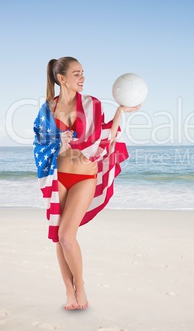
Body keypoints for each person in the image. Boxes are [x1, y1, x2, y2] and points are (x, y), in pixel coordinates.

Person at [33, 56, 139, 311]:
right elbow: (40, 143)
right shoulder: (48, 108)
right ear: (62, 79)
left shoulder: (93, 104)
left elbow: (105, 135)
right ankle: (69, 292)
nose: (82, 79)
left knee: (68, 237)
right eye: (77, 74)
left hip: (84, 176)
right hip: (59, 175)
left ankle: (80, 286)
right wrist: (60, 141)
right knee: (59, 238)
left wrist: (119, 112)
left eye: (83, 73)